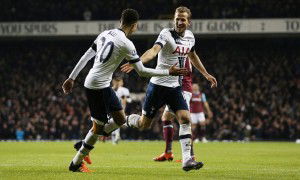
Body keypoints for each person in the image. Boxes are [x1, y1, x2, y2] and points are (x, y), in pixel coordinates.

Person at [62, 8, 188, 173]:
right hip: (96, 87)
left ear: (121, 21)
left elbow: (87, 55)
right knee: (98, 128)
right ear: (134, 25)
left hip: (103, 84)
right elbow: (142, 71)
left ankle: (85, 143)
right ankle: (76, 163)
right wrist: (168, 72)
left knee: (120, 119)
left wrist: (72, 78)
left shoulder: (105, 33)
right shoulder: (127, 44)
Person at [121, 6, 217, 171]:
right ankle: (123, 120)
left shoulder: (190, 37)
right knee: (144, 124)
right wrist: (137, 62)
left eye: (183, 19)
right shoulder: (166, 34)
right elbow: (153, 51)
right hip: (157, 86)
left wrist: (206, 74)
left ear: (188, 22)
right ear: (174, 19)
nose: (179, 22)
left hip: (174, 87)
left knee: (185, 118)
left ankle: (187, 160)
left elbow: (192, 55)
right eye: (177, 19)